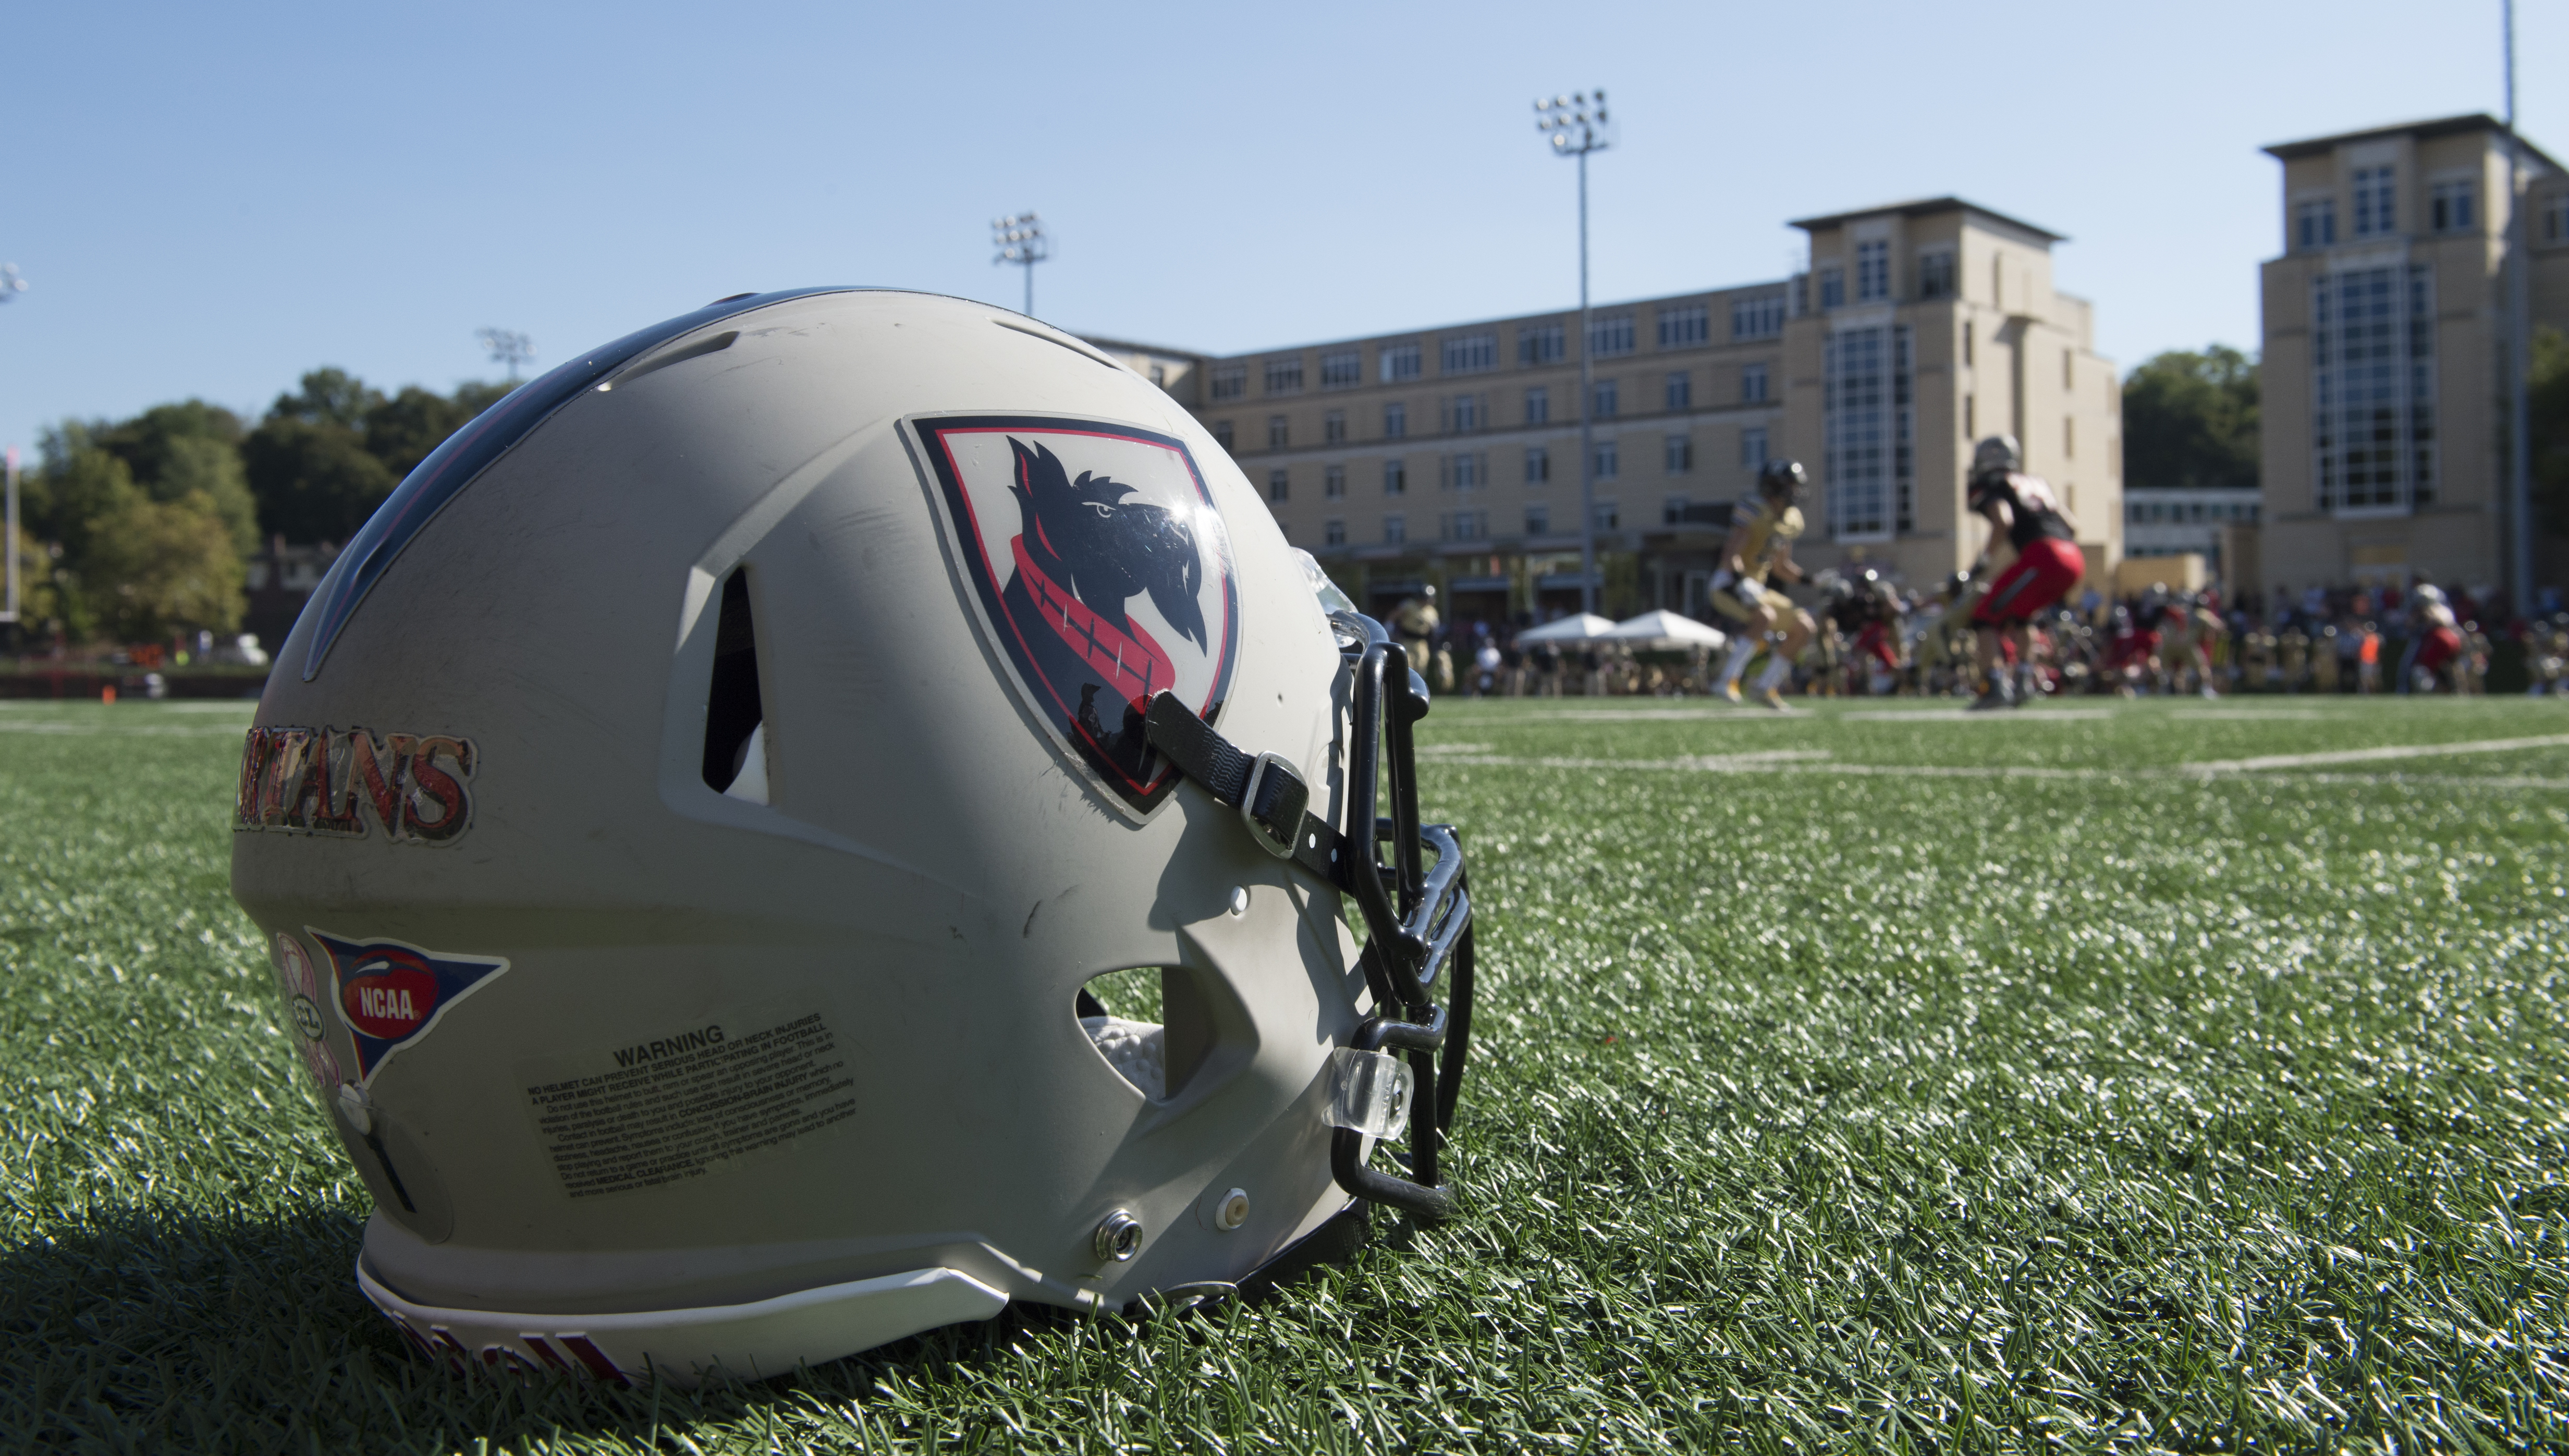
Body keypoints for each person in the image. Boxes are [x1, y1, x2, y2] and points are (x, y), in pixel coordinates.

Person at [1962, 435, 2084, 710]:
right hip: (2073, 556)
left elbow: (2003, 521)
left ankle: (1995, 687)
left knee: (1983, 617)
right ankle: (2023, 682)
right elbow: (2073, 526)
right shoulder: (2037, 483)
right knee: (2022, 616)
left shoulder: (1991, 484)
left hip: (2042, 555)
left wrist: (1984, 560)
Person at [1708, 459, 1817, 709]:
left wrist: (1814, 581)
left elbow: (1781, 568)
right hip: (1728, 582)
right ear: (1775, 487)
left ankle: (1764, 686)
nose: (1796, 492)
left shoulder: (1791, 520)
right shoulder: (1754, 510)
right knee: (1764, 618)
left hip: (1757, 586)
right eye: (1791, 486)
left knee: (1804, 627)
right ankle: (1726, 681)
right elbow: (1730, 555)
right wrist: (1740, 582)